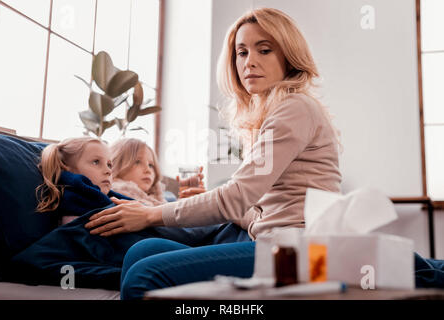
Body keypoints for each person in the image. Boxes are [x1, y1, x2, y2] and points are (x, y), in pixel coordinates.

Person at [85, 7, 342, 299]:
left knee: (145, 274)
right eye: (242, 52)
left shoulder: (294, 108)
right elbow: (262, 209)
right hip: (277, 241)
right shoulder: (276, 111)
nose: (250, 62)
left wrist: (150, 214)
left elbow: (236, 199)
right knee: (142, 251)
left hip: (300, 252)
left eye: (265, 50)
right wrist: (206, 205)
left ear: (289, 57)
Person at [109, 138, 206, 206]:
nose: (148, 170)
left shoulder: (163, 198)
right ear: (116, 164)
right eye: (137, 162)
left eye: (151, 165)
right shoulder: (120, 199)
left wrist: (186, 205)